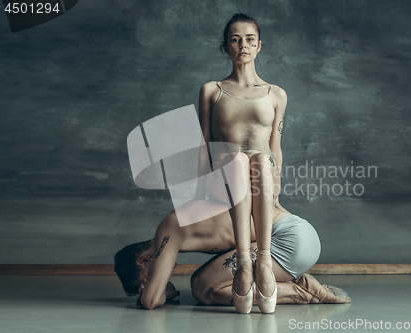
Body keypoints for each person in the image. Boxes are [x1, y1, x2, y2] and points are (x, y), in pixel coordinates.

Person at [195, 13, 286, 314]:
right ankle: (244, 263)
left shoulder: (276, 94)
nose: (242, 45)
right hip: (226, 175)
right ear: (226, 47)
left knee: (260, 158)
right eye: (235, 40)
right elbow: (205, 143)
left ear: (260, 45)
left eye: (249, 39)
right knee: (237, 158)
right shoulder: (212, 90)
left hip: (261, 178)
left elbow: (275, 146)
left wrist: (277, 189)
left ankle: (263, 263)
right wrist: (201, 188)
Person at [114, 201, 351, 310]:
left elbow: (151, 301)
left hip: (289, 239)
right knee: (207, 281)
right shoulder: (175, 233)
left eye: (144, 280)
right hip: (298, 237)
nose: (151, 282)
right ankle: (294, 284)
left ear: (144, 261)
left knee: (202, 287)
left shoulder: (166, 230)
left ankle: (300, 291)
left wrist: (153, 291)